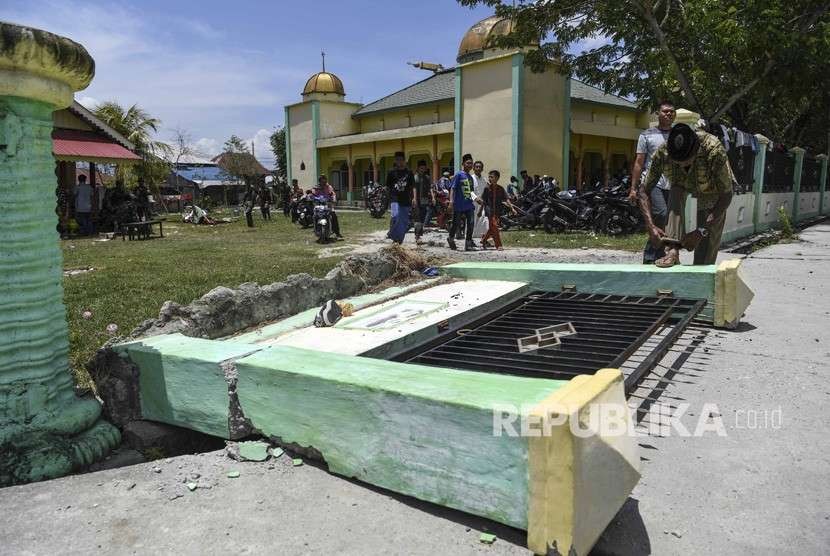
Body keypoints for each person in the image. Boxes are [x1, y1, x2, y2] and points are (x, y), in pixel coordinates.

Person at [639, 123, 735, 268]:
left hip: (711, 190)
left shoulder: (713, 149)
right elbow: (643, 191)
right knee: (675, 193)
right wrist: (650, 226)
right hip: (681, 185)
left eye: (686, 161)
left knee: (706, 242)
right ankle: (672, 251)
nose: (683, 166)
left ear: (697, 150)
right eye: (678, 162)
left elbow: (726, 195)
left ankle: (702, 270)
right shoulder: (662, 153)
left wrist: (701, 231)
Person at [630, 100, 676, 264]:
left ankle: (660, 254)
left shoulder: (678, 134)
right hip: (652, 182)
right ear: (658, 114)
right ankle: (651, 255)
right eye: (665, 111)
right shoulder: (647, 135)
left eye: (671, 111)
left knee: (669, 220)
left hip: (673, 183)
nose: (669, 114)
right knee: (661, 214)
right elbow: (639, 162)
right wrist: (633, 188)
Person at [447, 154, 477, 251]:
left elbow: (471, 192)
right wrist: (451, 202)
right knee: (456, 224)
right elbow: (453, 188)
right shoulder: (459, 175)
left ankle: (468, 243)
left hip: (469, 205)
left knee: (471, 223)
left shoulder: (470, 178)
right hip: (458, 205)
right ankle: (451, 238)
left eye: (471, 163)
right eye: (468, 163)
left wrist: (476, 199)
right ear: (463, 164)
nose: (470, 165)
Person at [385, 152, 415, 244]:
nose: (399, 162)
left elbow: (413, 186)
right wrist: (387, 199)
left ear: (404, 160)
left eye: (401, 160)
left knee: (404, 221)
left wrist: (414, 198)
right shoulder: (391, 172)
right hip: (395, 198)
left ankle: (399, 240)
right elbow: (388, 187)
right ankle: (393, 235)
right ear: (395, 161)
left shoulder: (409, 173)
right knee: (396, 216)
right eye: (397, 160)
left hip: (406, 199)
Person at [480, 169, 507, 251]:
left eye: (491, 177)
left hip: (497, 211)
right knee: (495, 226)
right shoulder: (487, 188)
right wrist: (479, 211)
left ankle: (484, 240)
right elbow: (483, 201)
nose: (489, 178)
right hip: (489, 211)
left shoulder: (500, 188)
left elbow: (506, 199)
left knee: (492, 228)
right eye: (489, 177)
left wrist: (512, 208)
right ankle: (499, 245)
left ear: (497, 178)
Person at [471, 160, 489, 240]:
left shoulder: (484, 180)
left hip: (482, 204)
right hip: (473, 203)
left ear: (482, 169)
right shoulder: (470, 178)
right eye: (476, 167)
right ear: (473, 168)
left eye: (480, 167)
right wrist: (475, 198)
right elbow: (468, 190)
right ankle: (471, 238)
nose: (478, 168)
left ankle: (484, 238)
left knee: (484, 219)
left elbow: (486, 191)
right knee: (472, 221)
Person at [413, 160, 431, 238]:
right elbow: (414, 188)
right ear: (418, 168)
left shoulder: (427, 177)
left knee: (423, 217)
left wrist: (433, 197)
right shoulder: (415, 177)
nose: (422, 170)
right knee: (418, 218)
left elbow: (430, 188)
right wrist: (414, 198)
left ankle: (419, 234)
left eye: (424, 168)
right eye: (421, 168)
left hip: (424, 200)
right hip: (417, 200)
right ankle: (417, 235)